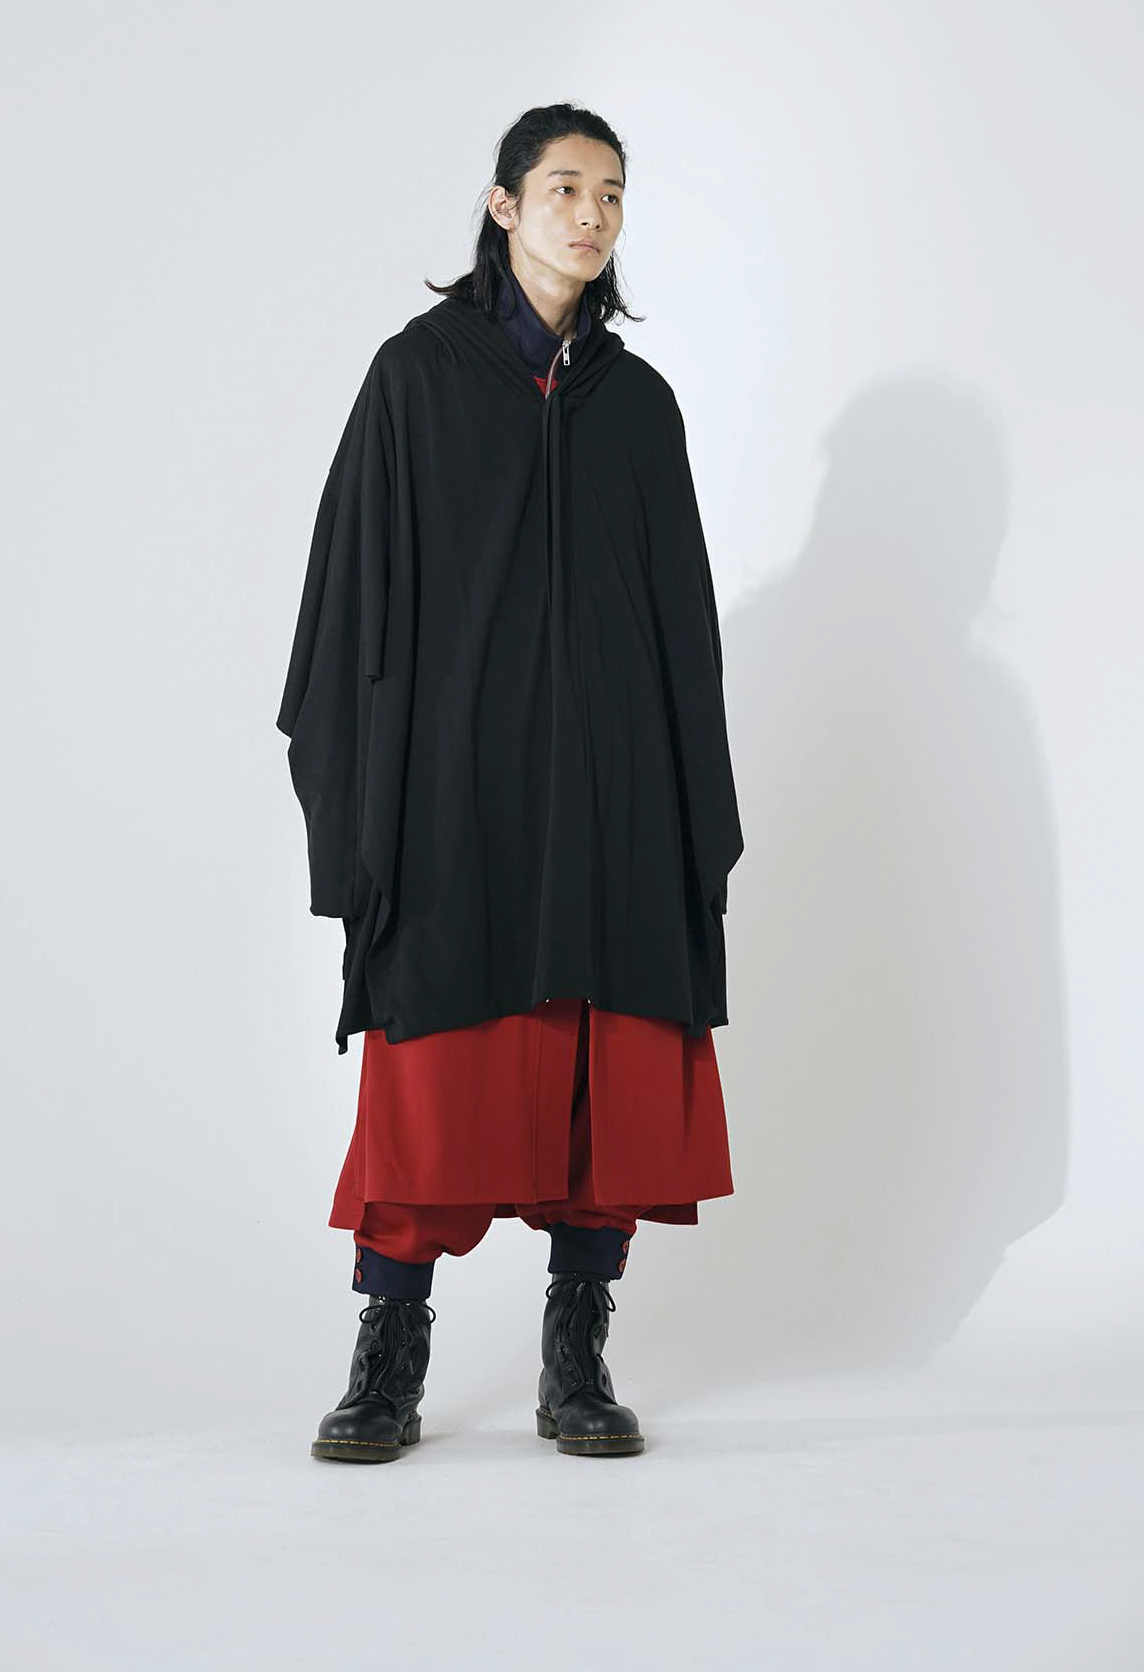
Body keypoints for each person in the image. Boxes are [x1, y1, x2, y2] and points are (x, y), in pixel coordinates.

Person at [276, 102, 744, 1462]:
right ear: (503, 206)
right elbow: (348, 600)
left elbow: (682, 624)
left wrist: (686, 806)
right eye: (564, 189)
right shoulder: (417, 381)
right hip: (456, 794)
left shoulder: (639, 409)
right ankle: (389, 1354)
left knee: (605, 1058)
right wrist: (364, 804)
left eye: (611, 194)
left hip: (609, 795)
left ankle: (575, 1350)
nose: (590, 215)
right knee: (435, 1071)